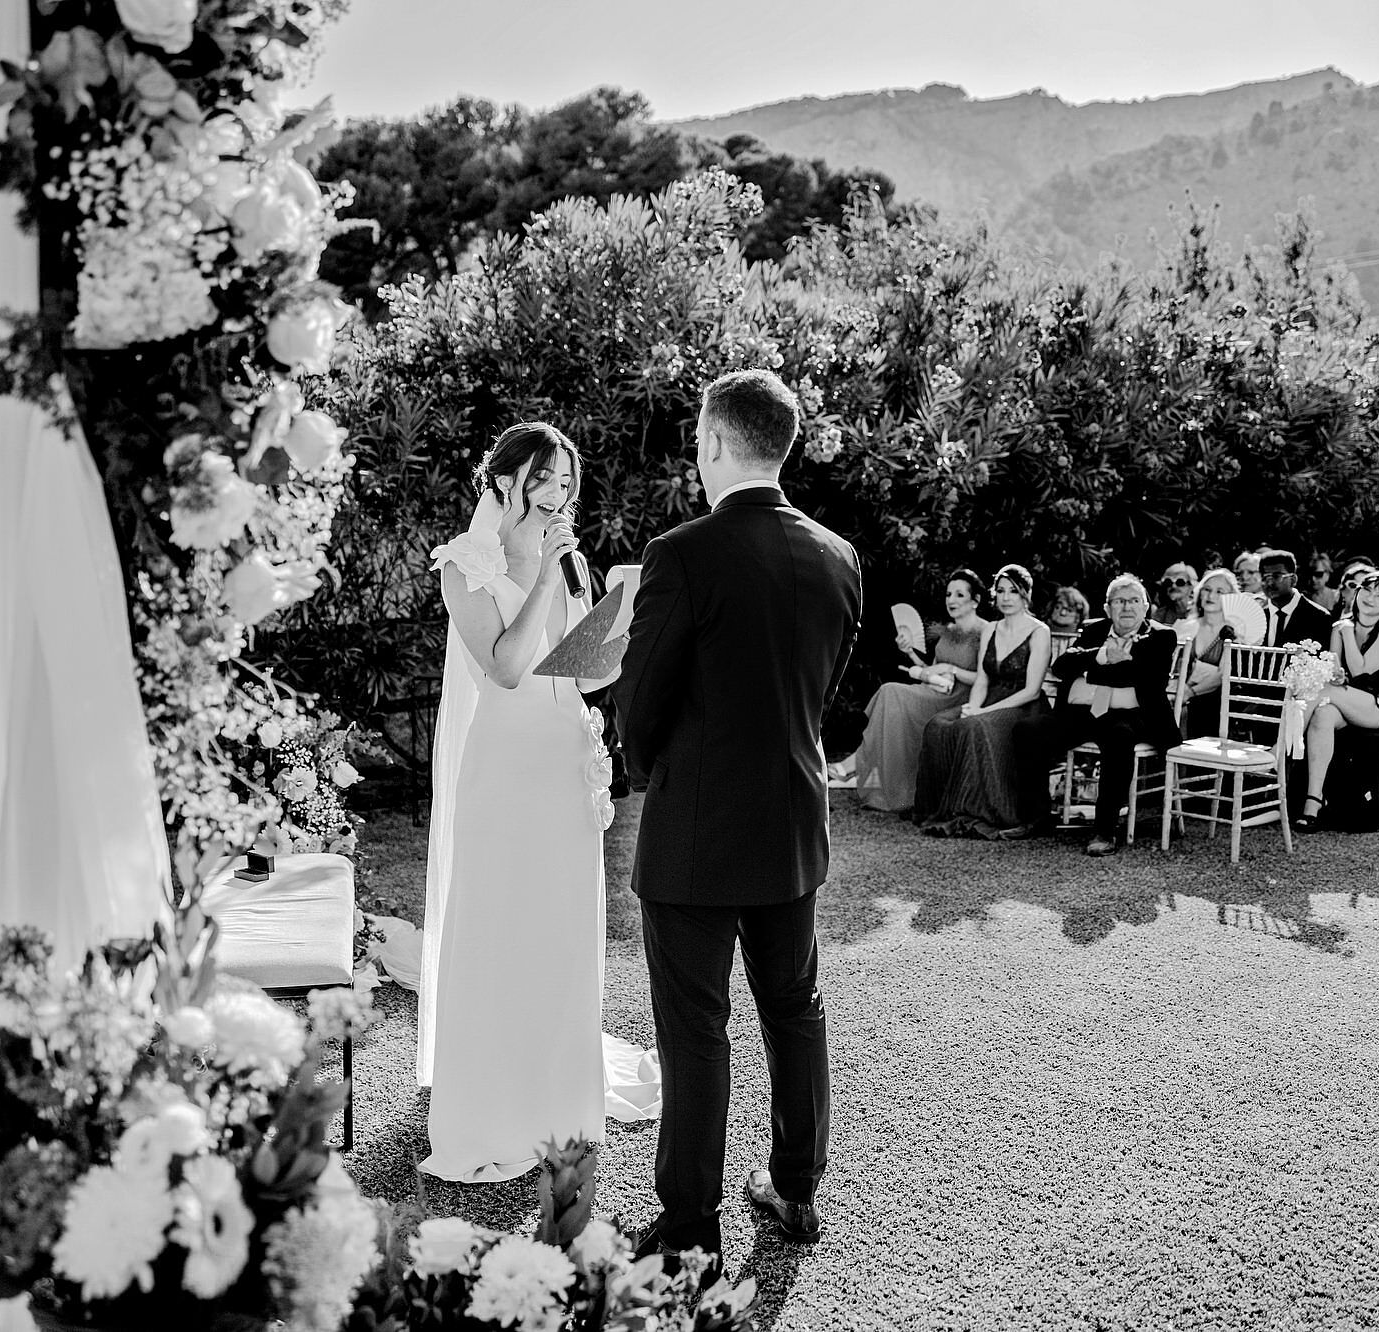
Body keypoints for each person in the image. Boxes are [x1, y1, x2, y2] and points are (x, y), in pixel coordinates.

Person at [614, 369, 862, 1267]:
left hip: (696, 833)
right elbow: (823, 691)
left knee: (694, 1027)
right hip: (794, 820)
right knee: (795, 1007)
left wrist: (651, 773)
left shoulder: (681, 554)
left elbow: (638, 701)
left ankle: (690, 1223)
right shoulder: (838, 556)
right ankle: (795, 1189)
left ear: (715, 442)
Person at [422, 422, 630, 1182]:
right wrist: (545, 572)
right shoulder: (463, 566)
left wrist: (617, 623)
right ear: (505, 478)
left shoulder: (570, 563)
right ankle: (495, 1105)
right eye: (546, 478)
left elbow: (580, 674)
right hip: (505, 770)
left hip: (564, 761)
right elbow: (509, 668)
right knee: (502, 926)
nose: (559, 494)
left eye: (567, 482)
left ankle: (559, 1099)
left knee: (560, 929)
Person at [1009, 574, 1181, 854]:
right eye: (1120, 601)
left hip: (1135, 715)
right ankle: (1035, 817)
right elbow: (1062, 666)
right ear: (1107, 608)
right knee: (1027, 731)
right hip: (1085, 712)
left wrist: (1091, 673)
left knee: (1118, 736)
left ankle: (1105, 830)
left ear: (1146, 606)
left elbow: (1150, 679)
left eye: (1134, 601)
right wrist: (1102, 654)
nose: (1127, 607)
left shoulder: (1162, 636)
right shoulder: (1092, 630)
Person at [829, 569, 989, 811]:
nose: (951, 600)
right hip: (933, 692)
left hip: (959, 698)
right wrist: (910, 652)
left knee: (891, 692)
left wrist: (952, 669)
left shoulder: (986, 631)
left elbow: (983, 676)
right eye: (948, 594)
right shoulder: (948, 631)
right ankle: (869, 775)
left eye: (959, 595)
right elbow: (931, 671)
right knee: (889, 695)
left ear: (975, 600)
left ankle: (856, 764)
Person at [912, 564, 1052, 836]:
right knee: (937, 725)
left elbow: (1032, 690)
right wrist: (974, 706)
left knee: (975, 726)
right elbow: (983, 680)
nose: (1006, 597)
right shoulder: (992, 629)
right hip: (989, 697)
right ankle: (942, 808)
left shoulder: (1039, 631)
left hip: (1022, 705)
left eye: (1014, 591)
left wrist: (983, 713)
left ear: (1026, 595)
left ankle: (983, 809)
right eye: (1001, 591)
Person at [1296, 572, 1379, 833]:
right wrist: (1337, 672)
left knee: (1322, 690)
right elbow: (1338, 671)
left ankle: (1280, 746)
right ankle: (1313, 802)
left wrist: (1348, 633)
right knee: (1323, 714)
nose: (1371, 598)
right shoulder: (1342, 625)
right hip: (1347, 698)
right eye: (1368, 590)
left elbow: (1361, 671)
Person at [1174, 568, 1241, 738]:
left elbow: (1222, 675)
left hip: (1212, 700)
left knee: (1198, 708)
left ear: (1231, 598)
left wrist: (1189, 693)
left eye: (1220, 592)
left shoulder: (1235, 631)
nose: (1211, 596)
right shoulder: (1184, 627)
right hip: (1178, 693)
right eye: (1207, 589)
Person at [1261, 549, 1334, 649]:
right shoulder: (1256, 615)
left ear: (1293, 580)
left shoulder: (1319, 618)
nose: (1270, 583)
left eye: (1277, 576)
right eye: (1265, 577)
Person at [1151, 562, 1198, 627]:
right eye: (1168, 582)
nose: (1173, 586)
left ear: (1191, 586)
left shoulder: (1200, 612)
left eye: (1180, 582)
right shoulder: (1160, 615)